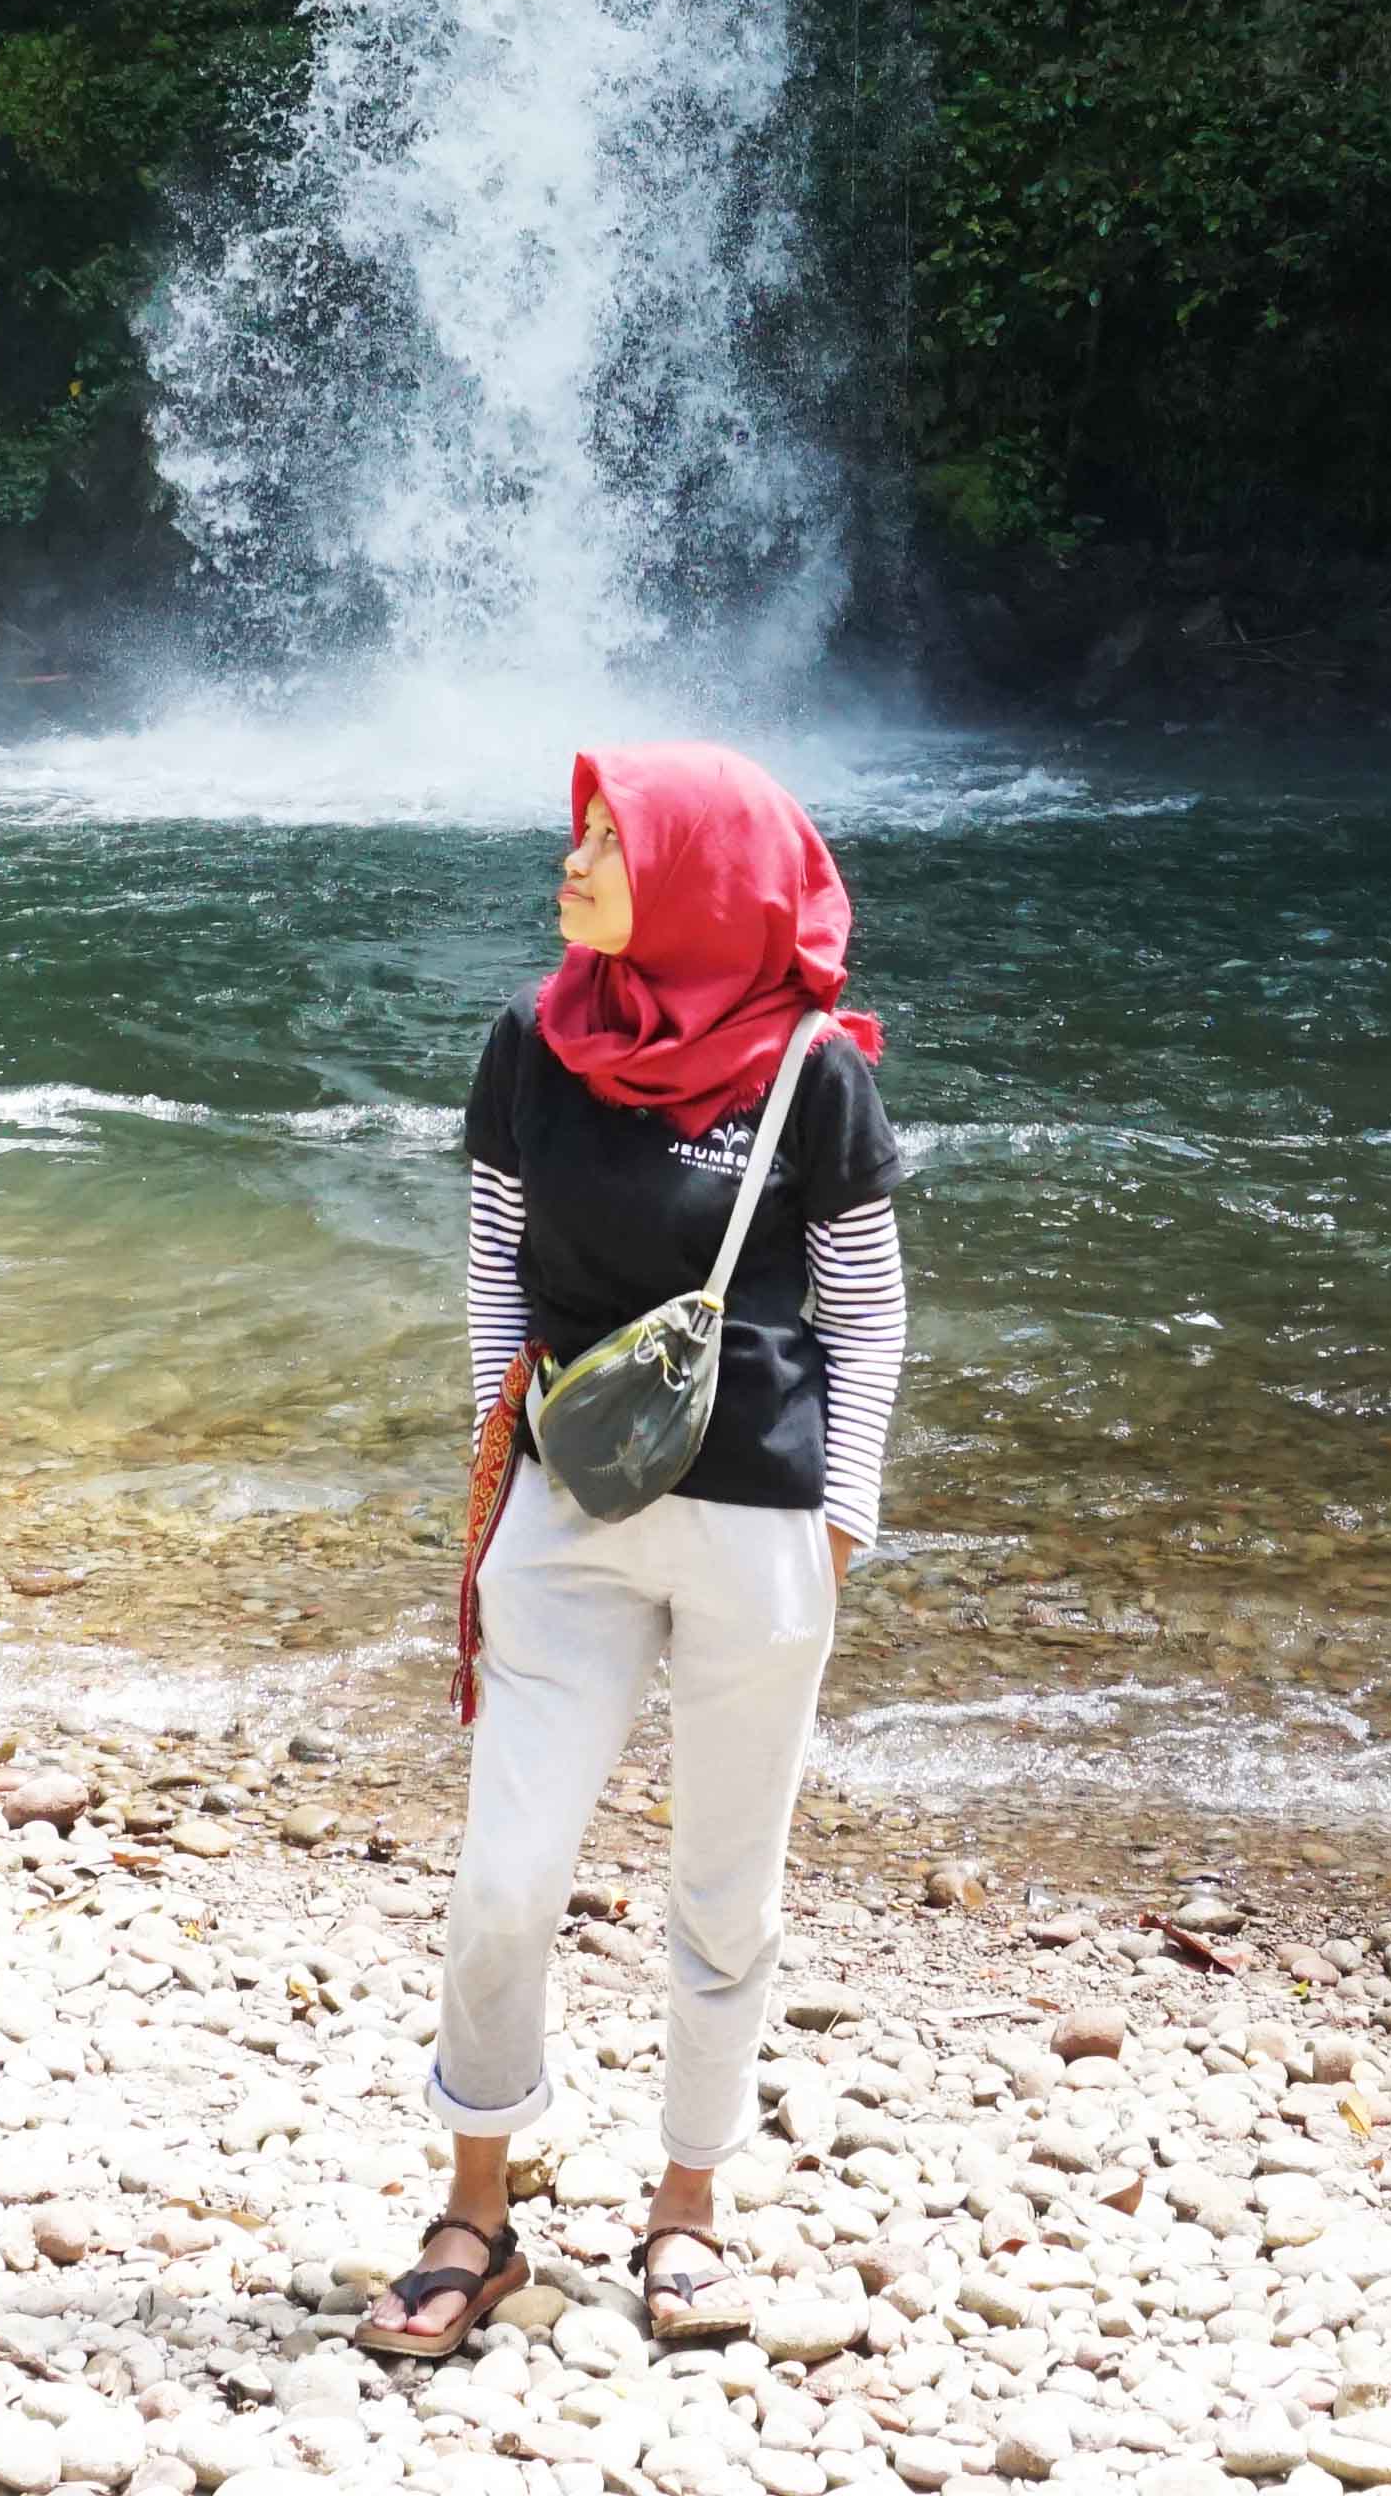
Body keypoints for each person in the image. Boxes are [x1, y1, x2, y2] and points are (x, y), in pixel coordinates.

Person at [356, 742, 909, 2364]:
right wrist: (501, 1465)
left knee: (724, 1888)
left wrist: (847, 1516)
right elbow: (495, 1278)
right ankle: (478, 2212)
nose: (574, 859)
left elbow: (867, 1309)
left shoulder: (814, 1068)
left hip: (762, 1529)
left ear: (700, 873)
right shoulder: (535, 1038)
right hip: (568, 1517)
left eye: (609, 840)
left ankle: (687, 2210)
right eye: (580, 834)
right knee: (504, 1882)